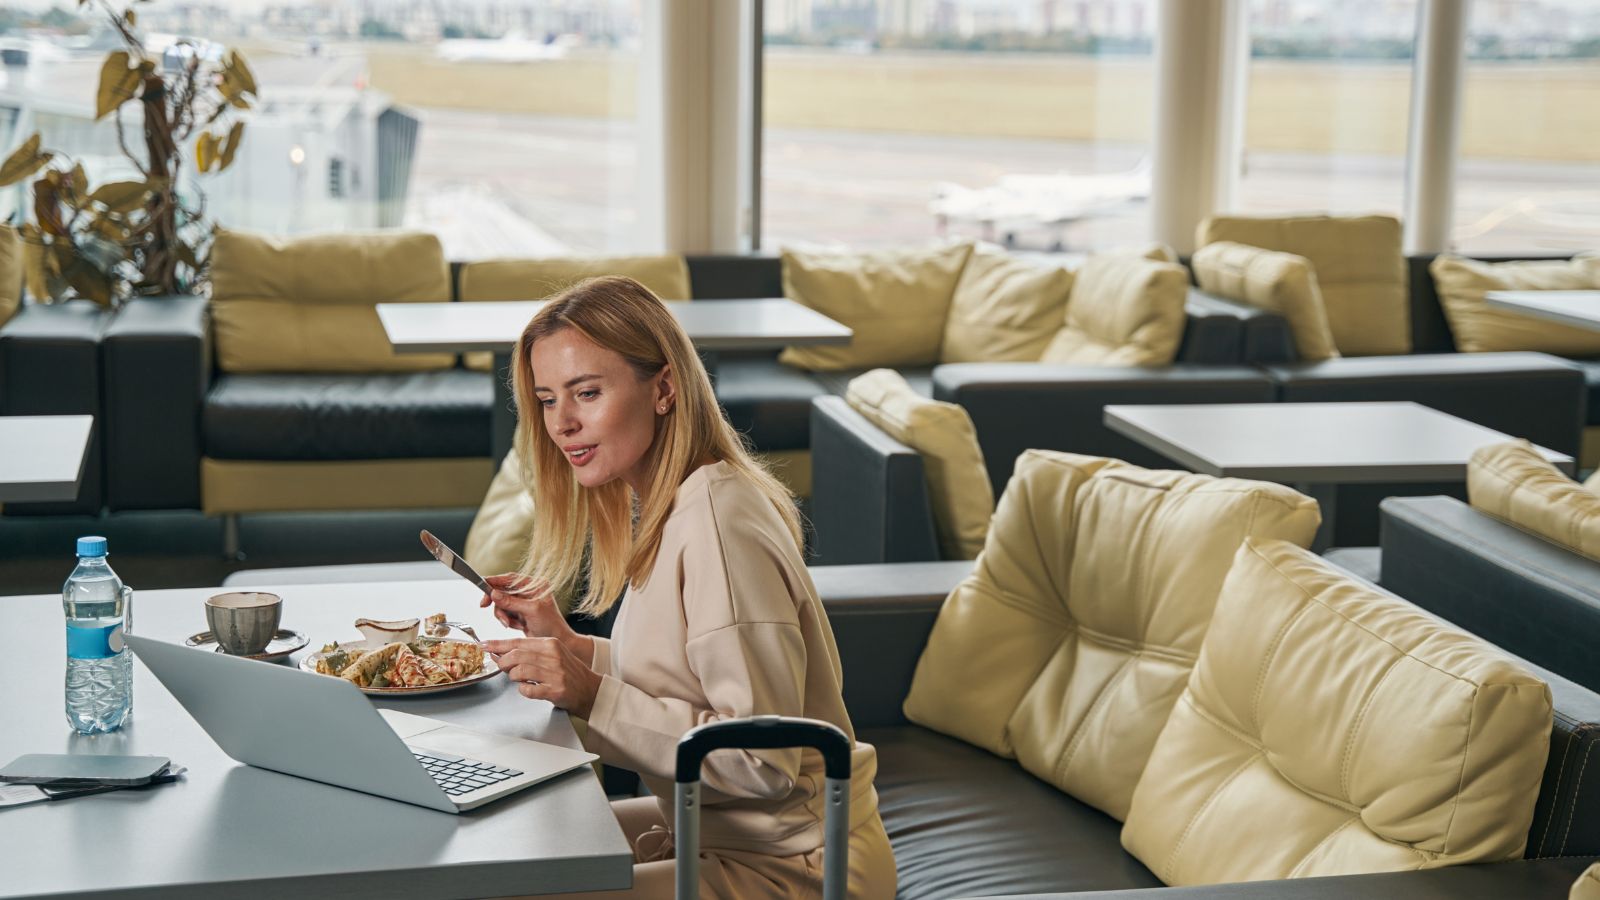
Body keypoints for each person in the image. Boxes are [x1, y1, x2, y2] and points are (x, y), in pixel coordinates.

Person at [479, 276, 895, 899]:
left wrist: (592, 695)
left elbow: (762, 761)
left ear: (664, 388)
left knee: (516, 883)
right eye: (545, 399)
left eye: (587, 393)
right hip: (717, 835)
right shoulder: (673, 502)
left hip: (799, 871)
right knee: (507, 849)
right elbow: (683, 672)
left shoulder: (721, 529)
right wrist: (568, 646)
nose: (562, 423)